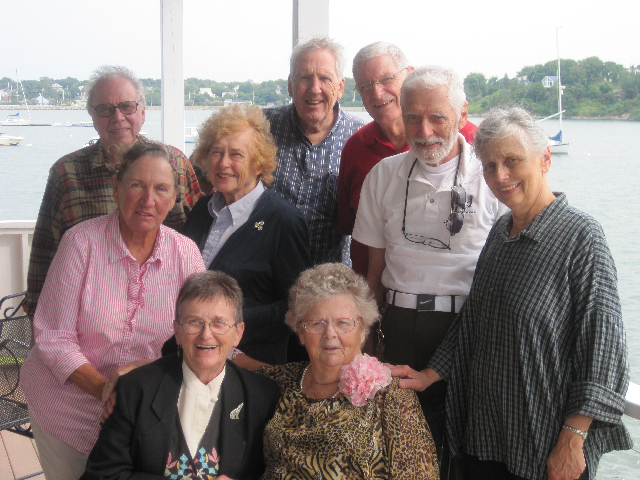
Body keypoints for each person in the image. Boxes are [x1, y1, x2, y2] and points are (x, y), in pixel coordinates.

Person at [392, 106, 632, 480]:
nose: (500, 176)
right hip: (483, 435)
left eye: (512, 161)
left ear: (545, 159)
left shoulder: (581, 237)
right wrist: (429, 375)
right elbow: (475, 320)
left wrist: (573, 438)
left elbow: (603, 349)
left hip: (543, 445)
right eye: (489, 166)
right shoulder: (500, 230)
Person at [20, 139, 206, 480]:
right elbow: (54, 337)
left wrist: (137, 385)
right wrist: (108, 390)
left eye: (161, 189)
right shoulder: (80, 243)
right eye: (137, 185)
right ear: (117, 189)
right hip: (66, 408)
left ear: (173, 199)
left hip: (140, 411)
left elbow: (197, 334)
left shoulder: (186, 254)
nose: (148, 200)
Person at [352, 66, 507, 454]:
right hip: (399, 327)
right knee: (399, 449)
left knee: (465, 449)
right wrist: (366, 338)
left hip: (468, 330)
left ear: (463, 114)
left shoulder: (491, 178)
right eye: (413, 118)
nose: (424, 132)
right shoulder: (382, 175)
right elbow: (374, 272)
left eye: (437, 117)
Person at [24, 65, 201, 317]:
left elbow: (198, 239)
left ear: (142, 112)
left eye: (127, 106)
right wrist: (37, 317)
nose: (118, 117)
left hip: (164, 313)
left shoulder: (176, 165)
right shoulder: (67, 173)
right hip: (88, 318)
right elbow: (44, 254)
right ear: (92, 117)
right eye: (105, 109)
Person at [236, 263, 439, 479]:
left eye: (343, 323)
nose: (330, 333)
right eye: (317, 323)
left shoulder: (392, 396)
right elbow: (232, 359)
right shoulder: (284, 380)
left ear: (363, 331)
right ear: (300, 332)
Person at [81, 271, 280, 480]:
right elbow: (100, 476)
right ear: (177, 330)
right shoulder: (136, 389)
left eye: (219, 323)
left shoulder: (262, 398)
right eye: (194, 322)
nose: (206, 334)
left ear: (238, 333)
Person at [182, 104, 311, 364]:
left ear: (259, 163)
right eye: (216, 152)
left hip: (250, 365)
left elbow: (297, 306)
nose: (223, 163)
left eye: (236, 154)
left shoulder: (284, 221)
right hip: (191, 355)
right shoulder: (201, 210)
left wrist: (228, 322)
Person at [339, 42, 478, 276]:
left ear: (409, 74)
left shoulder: (469, 139)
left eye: (386, 79)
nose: (377, 93)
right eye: (365, 85)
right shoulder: (356, 148)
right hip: (377, 288)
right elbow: (347, 226)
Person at [264, 37, 366, 265]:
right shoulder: (262, 127)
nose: (314, 88)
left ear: (340, 87)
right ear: (290, 85)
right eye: (304, 78)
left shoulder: (360, 139)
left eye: (325, 78)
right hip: (266, 272)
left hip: (330, 278)